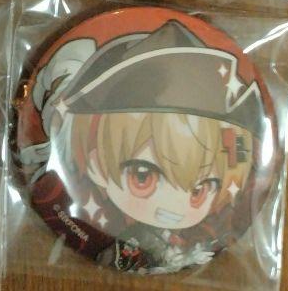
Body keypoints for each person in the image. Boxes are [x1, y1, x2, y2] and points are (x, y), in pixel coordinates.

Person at [20, 19, 264, 274]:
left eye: (199, 190)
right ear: (95, 164)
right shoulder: (67, 198)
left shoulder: (202, 232)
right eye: (143, 176)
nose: (172, 206)